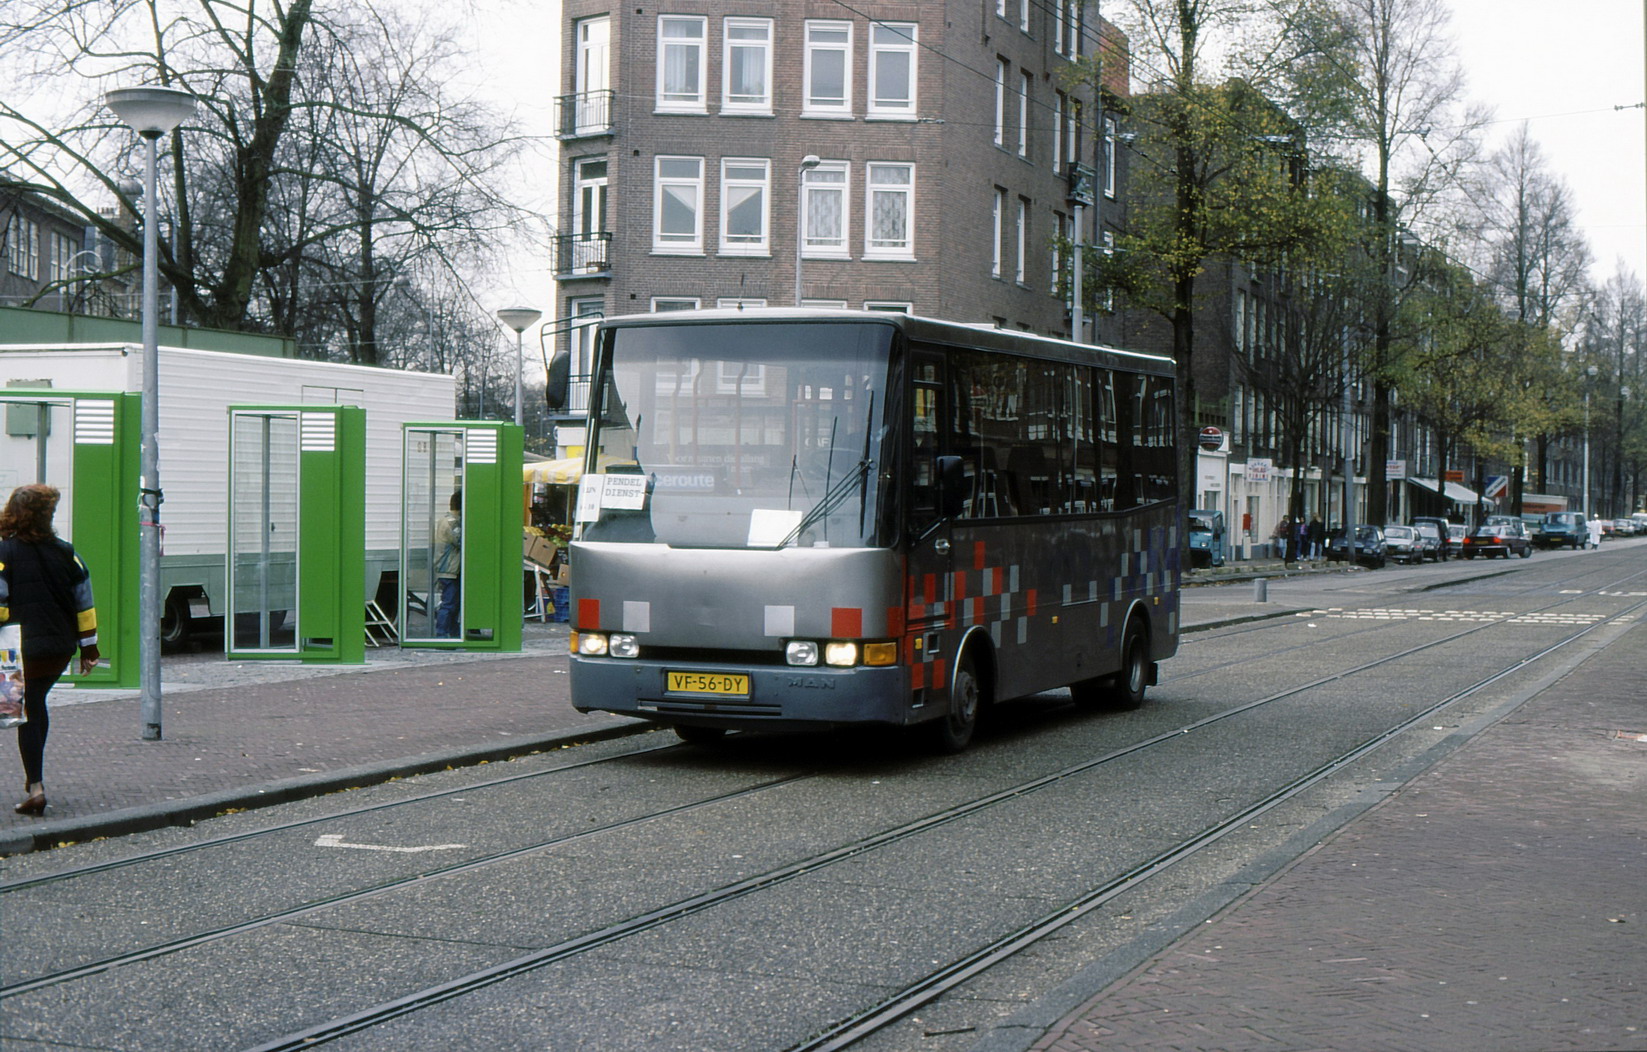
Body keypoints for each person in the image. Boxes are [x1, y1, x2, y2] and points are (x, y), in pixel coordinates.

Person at [0, 484, 100, 817]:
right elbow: (84, 603)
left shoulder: (4, 553)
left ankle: (36, 788)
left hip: (18, 650)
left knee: (25, 707)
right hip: (58, 648)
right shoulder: (67, 552)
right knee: (34, 703)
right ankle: (34, 785)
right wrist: (89, 647)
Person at [433, 491, 462, 638]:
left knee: (453, 603)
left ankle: (454, 633)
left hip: (449, 568)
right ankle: (442, 634)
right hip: (449, 569)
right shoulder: (452, 522)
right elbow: (460, 541)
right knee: (449, 603)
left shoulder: (447, 519)